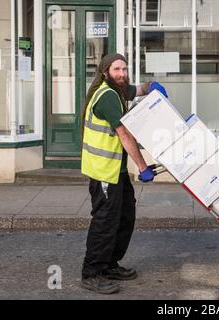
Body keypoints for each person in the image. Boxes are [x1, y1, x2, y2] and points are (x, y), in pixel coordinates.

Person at [80, 53, 168, 294]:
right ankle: (91, 272)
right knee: (105, 222)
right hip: (103, 171)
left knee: (125, 216)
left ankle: (109, 265)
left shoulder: (117, 89)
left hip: (115, 169)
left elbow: (136, 89)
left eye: (124, 69)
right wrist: (142, 166)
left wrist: (151, 86)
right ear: (105, 71)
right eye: (117, 69)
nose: (122, 73)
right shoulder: (107, 96)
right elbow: (124, 134)